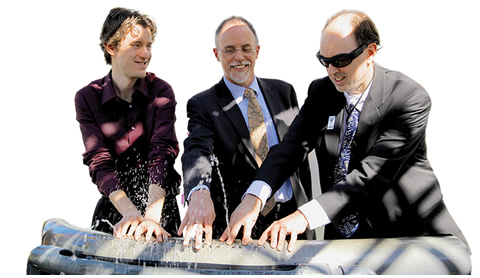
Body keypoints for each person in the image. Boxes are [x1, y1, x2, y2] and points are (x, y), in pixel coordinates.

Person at [228, 10, 470, 253]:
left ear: (370, 52)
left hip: (415, 240)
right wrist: (254, 198)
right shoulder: (322, 92)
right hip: (350, 244)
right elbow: (291, 148)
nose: (333, 70)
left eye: (342, 60)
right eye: (325, 60)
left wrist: (303, 216)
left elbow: (372, 175)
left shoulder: (408, 98)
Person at [179, 16, 314, 250]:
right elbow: (196, 149)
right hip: (241, 228)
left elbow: (297, 148)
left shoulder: (284, 91)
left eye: (245, 49)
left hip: (291, 220)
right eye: (229, 50)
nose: (239, 57)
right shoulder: (203, 104)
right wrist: (199, 190)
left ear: (257, 50)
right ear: (216, 54)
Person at [74, 7, 181, 242]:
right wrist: (131, 214)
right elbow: (98, 160)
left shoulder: (161, 91)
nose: (146, 53)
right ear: (111, 47)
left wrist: (151, 218)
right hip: (115, 209)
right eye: (136, 45)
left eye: (149, 45)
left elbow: (162, 152)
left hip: (161, 208)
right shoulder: (87, 97)